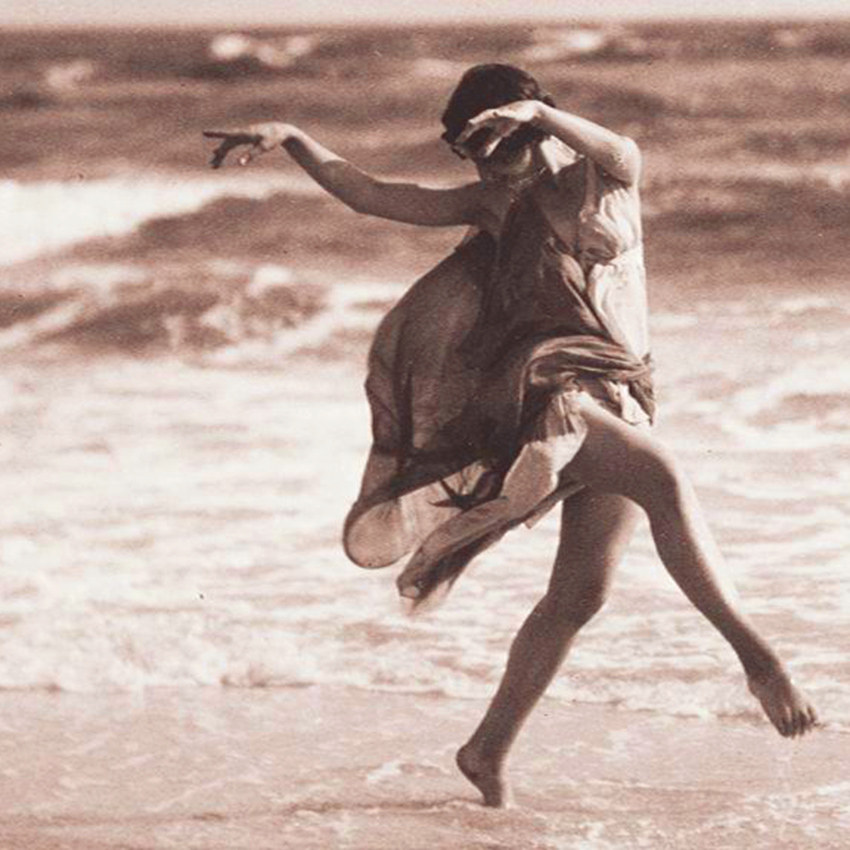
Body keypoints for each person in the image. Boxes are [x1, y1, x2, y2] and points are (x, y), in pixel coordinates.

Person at [205, 63, 819, 808]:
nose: (487, 165)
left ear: (531, 122)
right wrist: (295, 138)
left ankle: (485, 748)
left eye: (497, 144)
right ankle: (760, 660)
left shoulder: (605, 177)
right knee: (665, 482)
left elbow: (621, 146)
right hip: (548, 389)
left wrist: (534, 115)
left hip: (623, 392)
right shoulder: (495, 205)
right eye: (473, 153)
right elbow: (373, 196)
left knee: (579, 596)